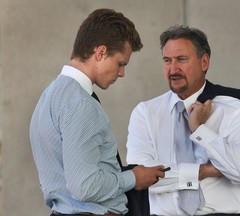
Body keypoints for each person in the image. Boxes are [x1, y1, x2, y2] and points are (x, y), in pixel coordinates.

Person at [29, 8, 165, 216]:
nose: (122, 73)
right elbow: (85, 186)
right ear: (100, 52)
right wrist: (134, 178)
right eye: (120, 64)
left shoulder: (50, 95)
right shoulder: (80, 104)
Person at [126, 25, 240, 216]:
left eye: (181, 59)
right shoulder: (145, 113)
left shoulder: (234, 109)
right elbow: (141, 178)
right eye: (167, 61)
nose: (173, 69)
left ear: (204, 62)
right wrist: (204, 171)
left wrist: (199, 130)